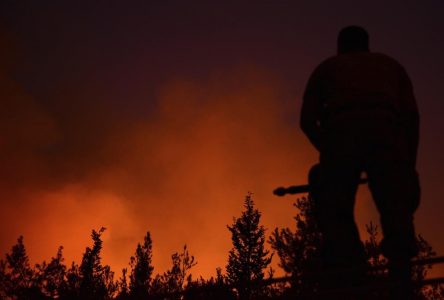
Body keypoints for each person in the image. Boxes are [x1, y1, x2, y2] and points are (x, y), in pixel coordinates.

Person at [300, 26, 420, 296]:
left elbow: (306, 120)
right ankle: (401, 275)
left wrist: (328, 150)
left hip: (341, 134)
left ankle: (350, 269)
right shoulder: (391, 66)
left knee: (335, 209)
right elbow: (412, 119)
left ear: (340, 45)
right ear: (367, 44)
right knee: (396, 210)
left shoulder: (327, 68)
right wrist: (408, 165)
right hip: (387, 135)